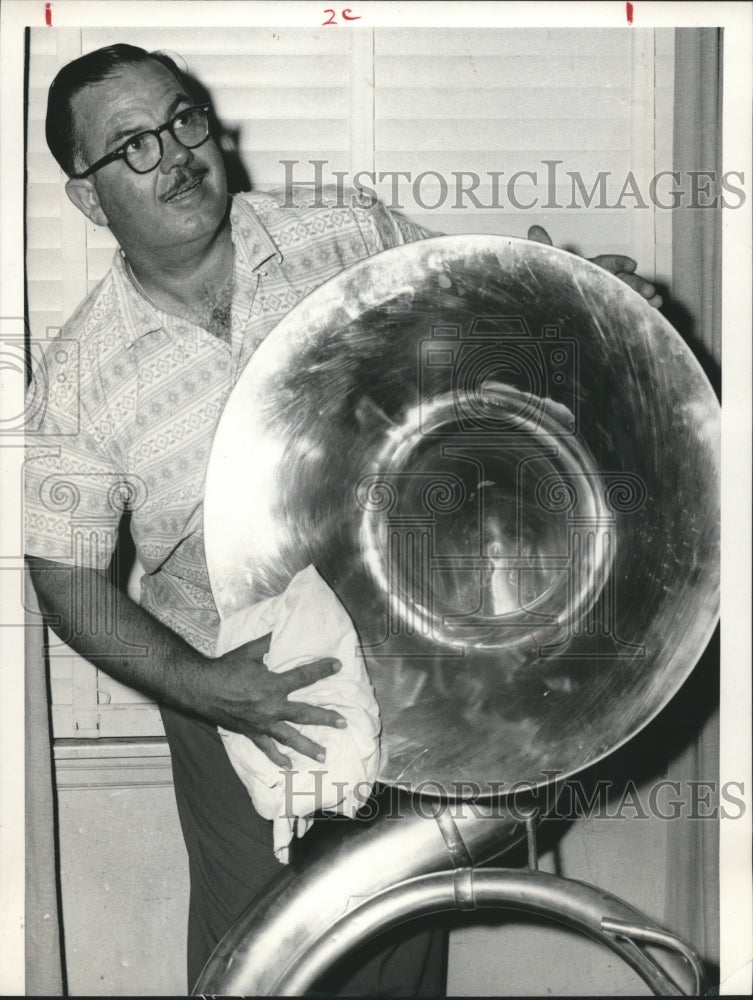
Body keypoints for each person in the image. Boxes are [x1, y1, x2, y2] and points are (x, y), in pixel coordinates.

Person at [24, 44, 661, 994]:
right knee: (270, 963)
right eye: (135, 146)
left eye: (183, 118)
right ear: (87, 195)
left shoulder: (345, 230)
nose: (178, 152)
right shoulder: (78, 373)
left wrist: (585, 307)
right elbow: (66, 580)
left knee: (401, 942)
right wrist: (204, 687)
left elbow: (479, 332)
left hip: (421, 663)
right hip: (248, 694)